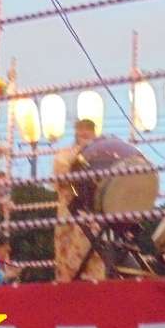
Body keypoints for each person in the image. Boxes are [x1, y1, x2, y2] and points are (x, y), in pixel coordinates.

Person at [53, 118, 105, 282]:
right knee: (66, 247)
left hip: (93, 208)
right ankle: (67, 282)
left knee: (94, 248)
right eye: (81, 129)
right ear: (76, 132)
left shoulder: (102, 155)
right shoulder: (64, 153)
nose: (85, 132)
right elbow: (60, 175)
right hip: (69, 206)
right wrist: (80, 154)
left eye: (89, 129)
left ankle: (94, 282)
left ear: (94, 133)